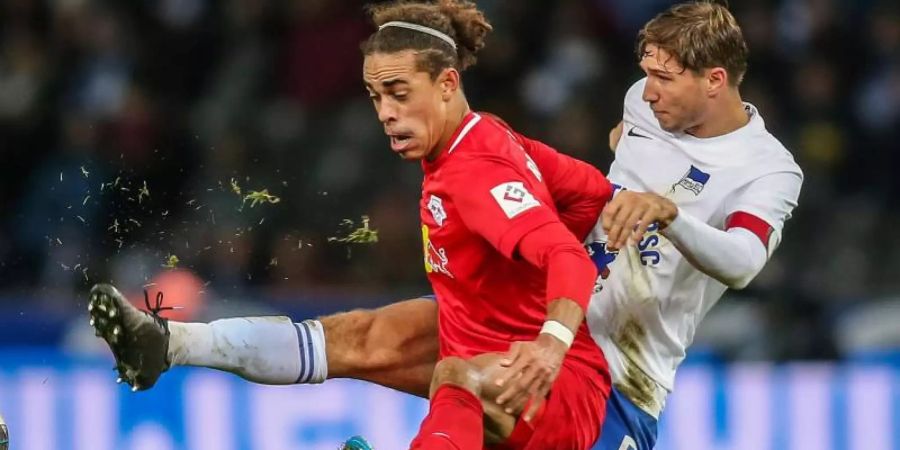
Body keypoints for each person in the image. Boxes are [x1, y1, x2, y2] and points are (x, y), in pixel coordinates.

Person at [89, 2, 804, 449]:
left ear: (717, 81)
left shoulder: (768, 172)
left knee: (461, 381)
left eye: (667, 78)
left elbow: (740, 261)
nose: (647, 91)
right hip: (538, 317)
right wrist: (570, 172)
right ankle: (168, 343)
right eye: (645, 73)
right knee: (364, 337)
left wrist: (669, 214)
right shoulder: (640, 108)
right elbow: (599, 185)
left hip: (616, 375)